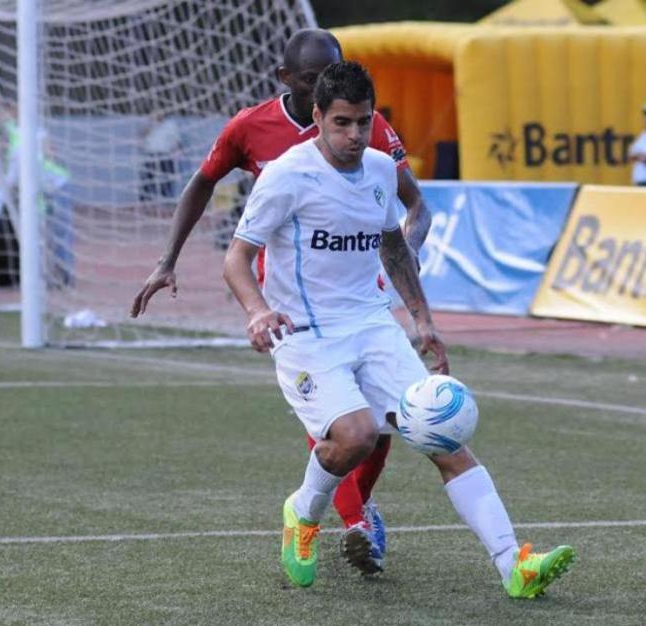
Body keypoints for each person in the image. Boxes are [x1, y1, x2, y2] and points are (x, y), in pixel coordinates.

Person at [223, 61, 576, 595]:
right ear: (317, 116)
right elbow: (236, 259)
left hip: (372, 323)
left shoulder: (380, 169)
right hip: (307, 334)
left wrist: (422, 321)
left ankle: (515, 564)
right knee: (357, 436)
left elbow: (392, 244)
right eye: (341, 122)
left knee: (445, 436)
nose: (353, 135)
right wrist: (256, 311)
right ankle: (303, 511)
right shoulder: (286, 176)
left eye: (363, 122)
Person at [130, 29, 433, 566]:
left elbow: (413, 206)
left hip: (358, 292)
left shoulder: (368, 126)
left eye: (335, 76)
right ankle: (353, 520)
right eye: (315, 81)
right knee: (337, 419)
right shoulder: (251, 126)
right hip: (287, 300)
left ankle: (356, 509)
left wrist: (404, 249)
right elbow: (202, 184)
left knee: (381, 425)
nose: (329, 91)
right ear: (287, 81)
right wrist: (167, 259)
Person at [139, 113, 181, 205]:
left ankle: (165, 201)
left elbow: (176, 140)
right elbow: (142, 136)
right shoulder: (149, 124)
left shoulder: (170, 124)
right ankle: (144, 202)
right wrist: (150, 123)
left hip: (165, 155)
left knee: (167, 179)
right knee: (148, 179)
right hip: (151, 155)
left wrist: (177, 151)